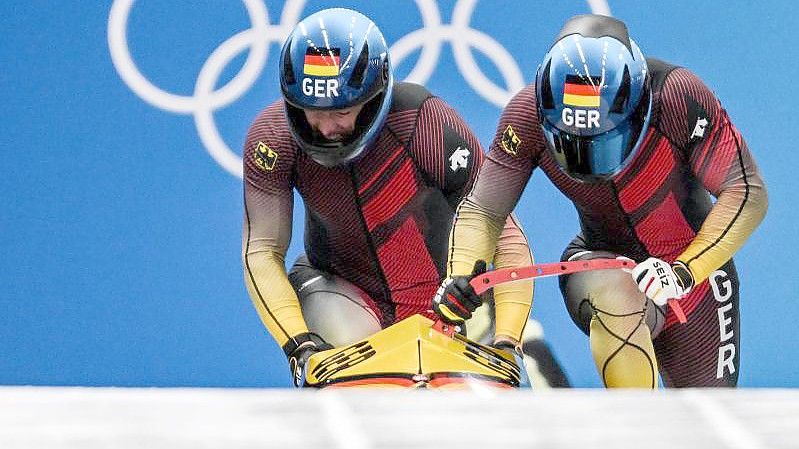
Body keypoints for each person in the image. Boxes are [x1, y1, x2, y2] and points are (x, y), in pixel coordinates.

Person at [433, 14, 767, 388]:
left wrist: (685, 270)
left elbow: (747, 191)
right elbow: (483, 210)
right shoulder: (526, 116)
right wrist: (461, 276)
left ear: (637, 109)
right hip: (602, 259)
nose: (589, 158)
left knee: (705, 426)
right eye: (569, 141)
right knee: (613, 289)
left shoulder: (678, 98)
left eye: (604, 141)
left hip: (693, 273)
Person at [241, 8, 568, 388]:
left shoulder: (424, 123)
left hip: (451, 299)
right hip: (344, 292)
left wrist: (508, 342)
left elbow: (504, 233)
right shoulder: (274, 139)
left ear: (373, 97)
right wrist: (299, 344)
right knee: (369, 387)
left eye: (343, 111)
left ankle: (514, 340)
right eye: (311, 111)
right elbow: (261, 251)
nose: (327, 126)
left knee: (525, 395)